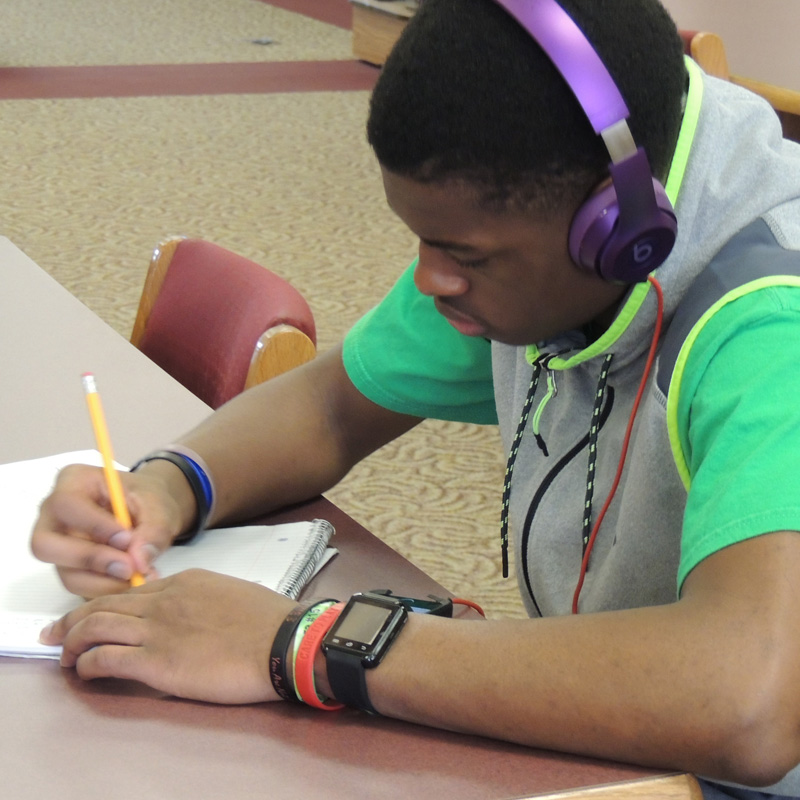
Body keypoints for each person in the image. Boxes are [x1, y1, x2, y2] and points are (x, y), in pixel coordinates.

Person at [30, 0, 800, 797]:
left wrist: (308, 646)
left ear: (617, 227)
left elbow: (749, 702)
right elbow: (332, 406)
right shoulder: (534, 228)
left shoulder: (773, 328)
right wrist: (166, 487)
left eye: (462, 254)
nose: (432, 279)